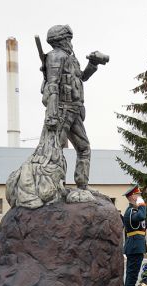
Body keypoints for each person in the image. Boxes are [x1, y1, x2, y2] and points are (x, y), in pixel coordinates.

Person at [43, 24, 106, 190]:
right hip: (62, 110)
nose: (71, 42)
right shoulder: (55, 56)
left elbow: (81, 78)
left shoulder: (71, 58)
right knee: (56, 150)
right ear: (61, 39)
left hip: (75, 110)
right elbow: (52, 85)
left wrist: (93, 64)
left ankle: (82, 186)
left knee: (84, 148)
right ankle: (56, 187)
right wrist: (52, 113)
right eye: (68, 39)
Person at [123, 185, 147, 286]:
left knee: (131, 277)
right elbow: (142, 216)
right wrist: (142, 204)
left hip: (136, 247)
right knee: (131, 278)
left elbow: (144, 223)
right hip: (134, 248)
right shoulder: (131, 212)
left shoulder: (134, 211)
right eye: (138, 195)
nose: (140, 197)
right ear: (132, 197)